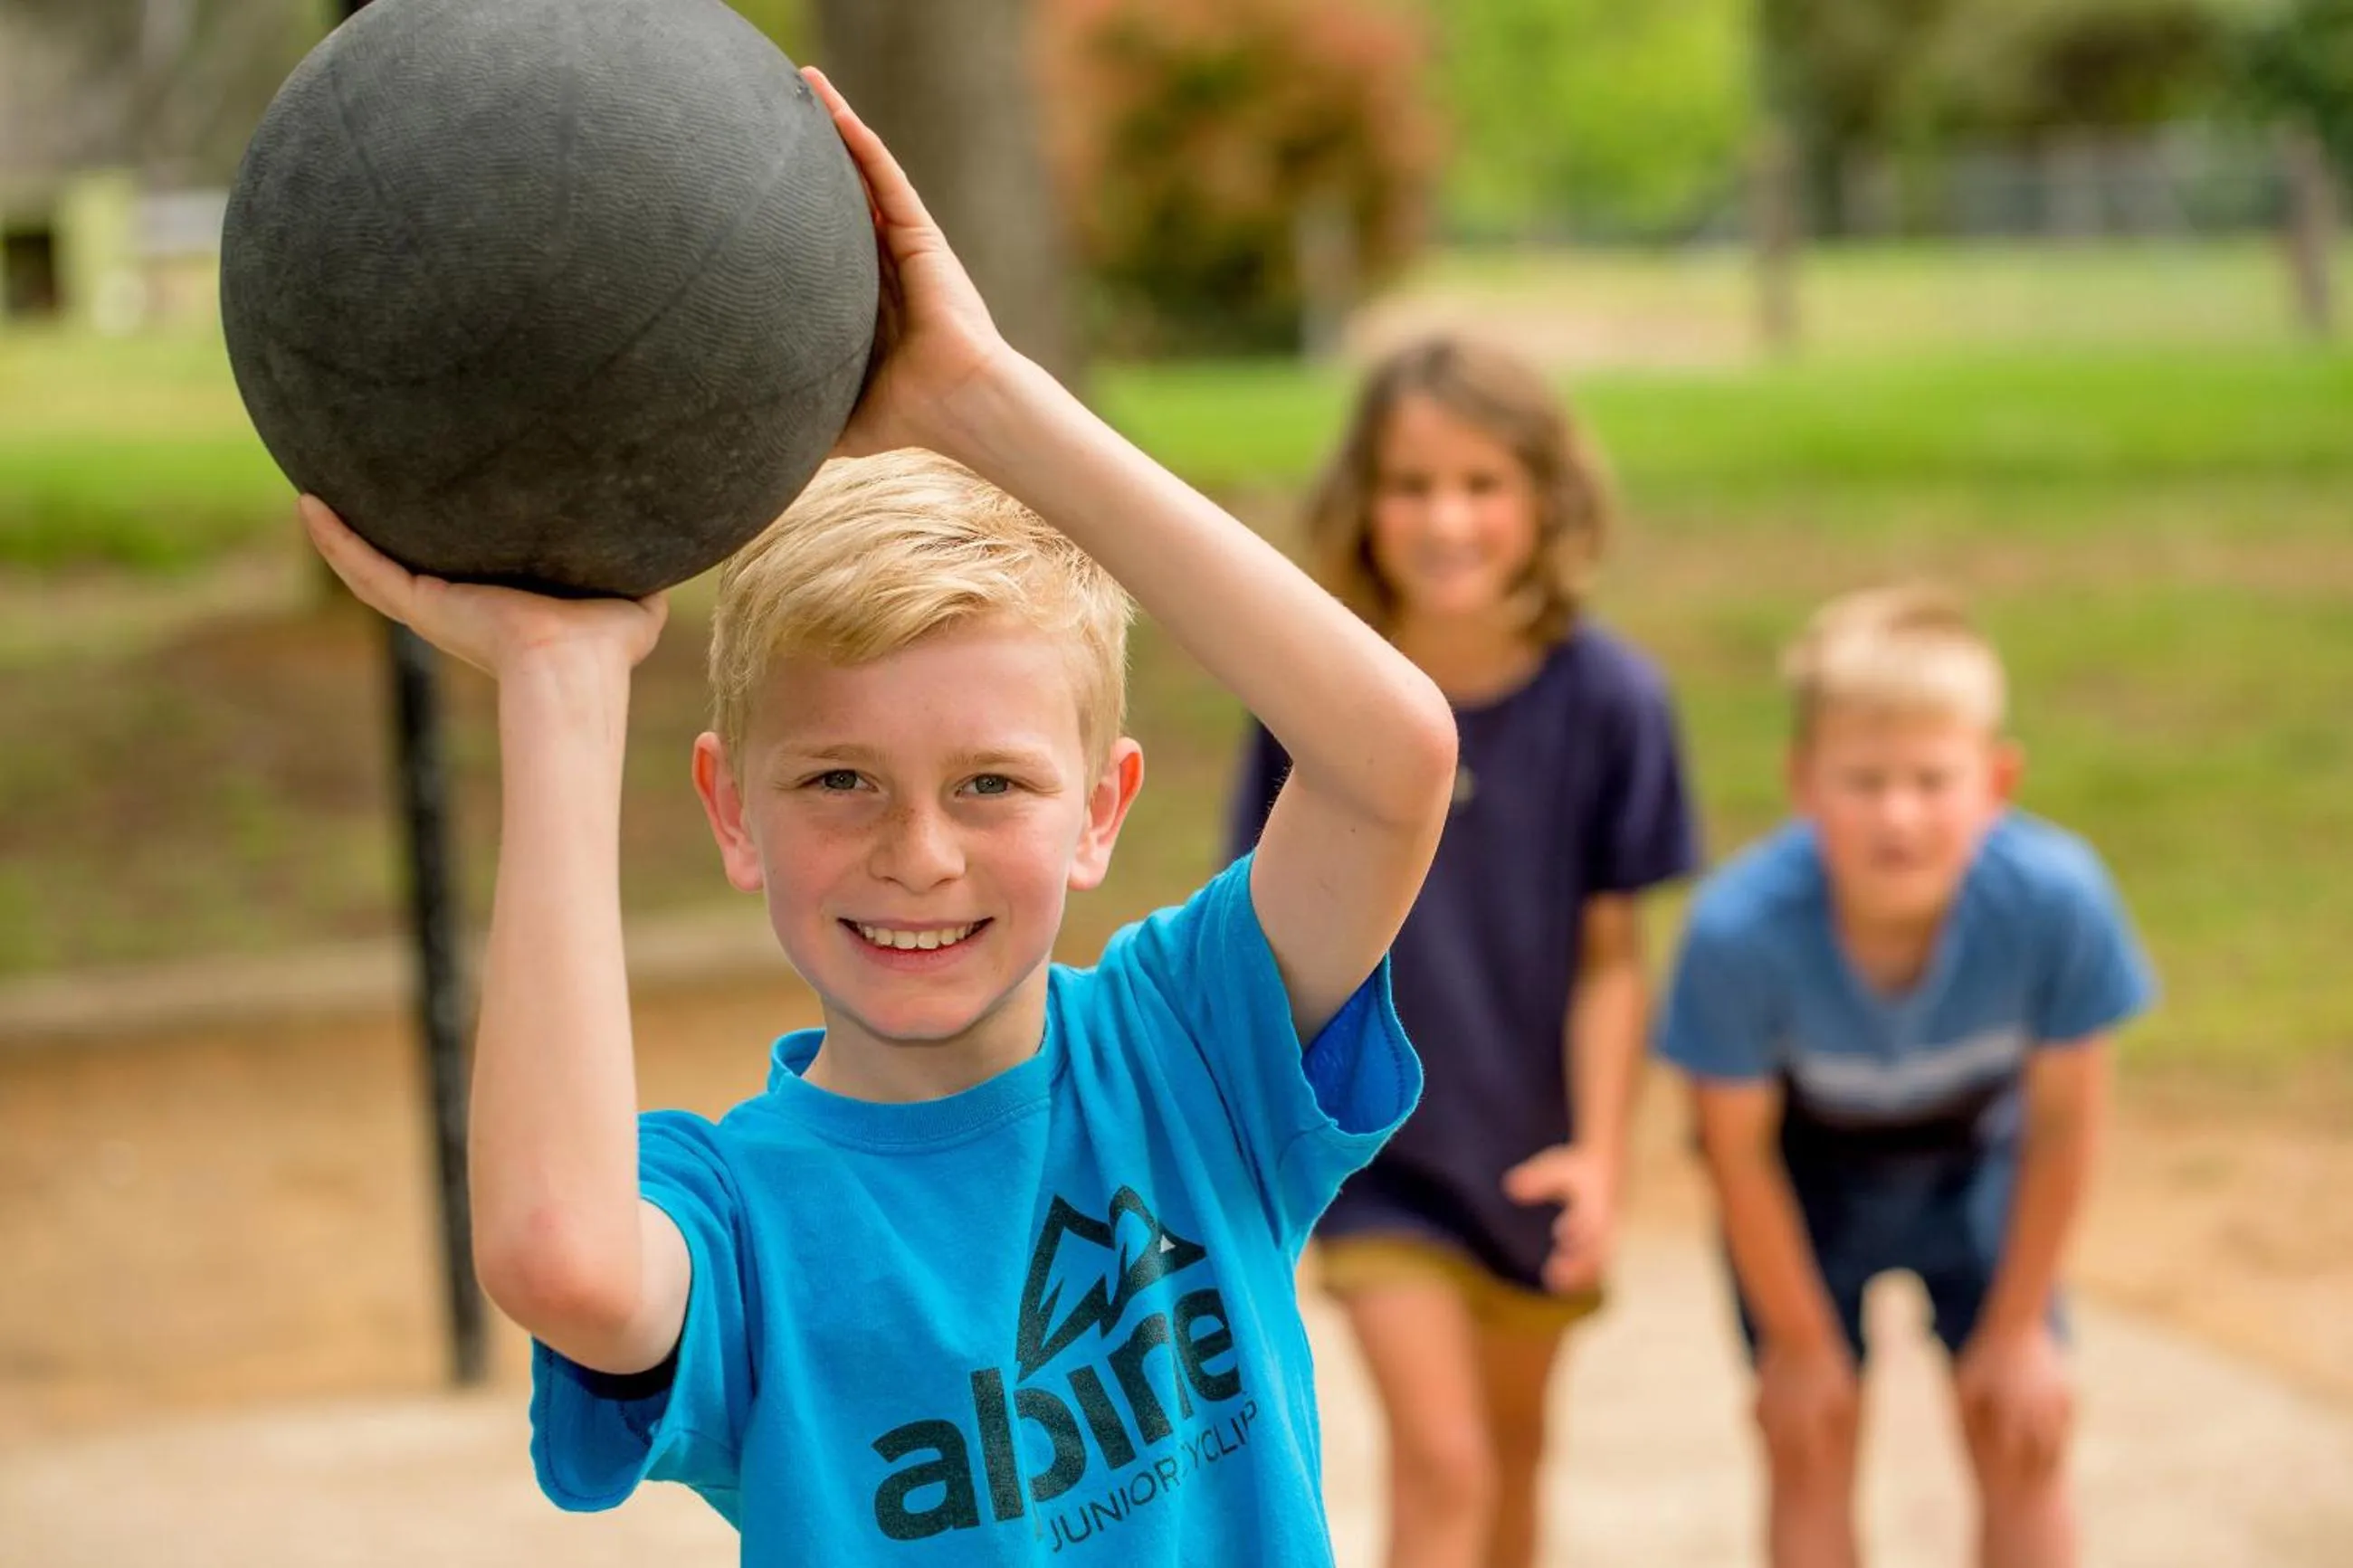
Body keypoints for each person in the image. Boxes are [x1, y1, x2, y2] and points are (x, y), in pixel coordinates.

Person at [300, 71, 1460, 1565]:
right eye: (839, 780)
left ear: (1103, 809)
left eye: (992, 781)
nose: (920, 852)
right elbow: (562, 1257)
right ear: (734, 811)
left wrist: (980, 399)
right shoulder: (736, 1210)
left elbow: (1394, 757)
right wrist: (562, 681)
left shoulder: (1191, 1052)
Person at [1228, 337, 1699, 1568]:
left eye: (1482, 483)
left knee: (1514, 1459)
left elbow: (1612, 958)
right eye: (1411, 483)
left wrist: (1600, 1154)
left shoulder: (1614, 704)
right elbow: (1266, 945)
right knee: (1443, 1463)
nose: (1447, 518)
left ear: (1545, 498)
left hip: (1531, 1154)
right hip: (1374, 1160)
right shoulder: (1318, 692)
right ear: (1363, 501)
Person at [1654, 584, 2157, 1568]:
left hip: (1979, 1160)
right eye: (1863, 778)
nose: (1897, 813)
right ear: (1802, 782)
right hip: (1807, 1175)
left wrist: (2017, 1329)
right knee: (1807, 1440)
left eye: (1932, 779)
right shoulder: (1735, 932)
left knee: (2021, 1430)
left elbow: (2061, 1123)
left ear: (1995, 780)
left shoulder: (2056, 900)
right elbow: (1733, 1148)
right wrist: (1798, 1349)